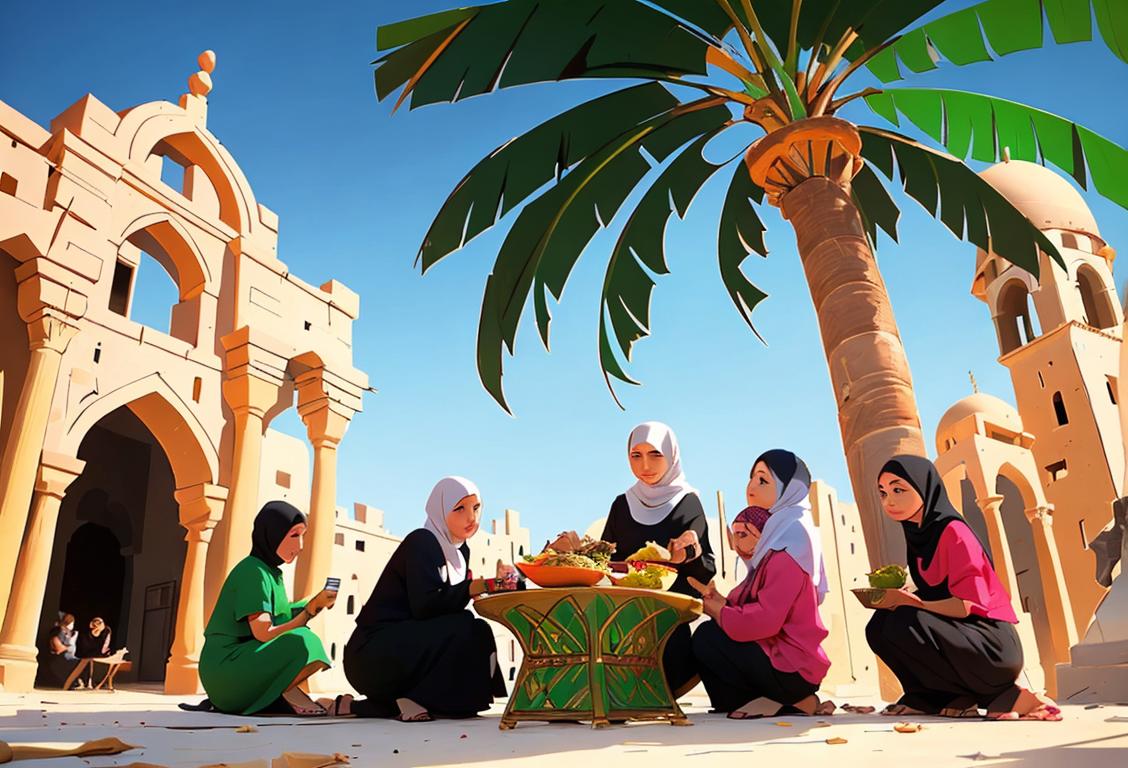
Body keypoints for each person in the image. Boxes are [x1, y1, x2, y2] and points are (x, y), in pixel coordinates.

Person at [864, 455, 1061, 721]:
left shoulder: (954, 531)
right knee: (879, 626)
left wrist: (915, 603)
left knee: (904, 619)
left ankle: (1012, 696)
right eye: (883, 493)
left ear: (924, 488)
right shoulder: (920, 537)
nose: (889, 501)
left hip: (990, 644)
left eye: (898, 490)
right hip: (956, 635)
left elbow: (967, 604)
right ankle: (934, 697)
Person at [344, 476, 515, 721]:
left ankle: (402, 703)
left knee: (477, 629)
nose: (471, 517)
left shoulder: (460, 551)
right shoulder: (422, 541)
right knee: (465, 625)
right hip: (372, 653)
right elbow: (425, 606)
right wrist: (477, 586)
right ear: (441, 510)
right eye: (460, 509)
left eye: (476, 508)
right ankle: (402, 699)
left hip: (410, 644)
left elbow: (447, 608)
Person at [690, 449, 832, 719]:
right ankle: (781, 702)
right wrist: (721, 603)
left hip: (792, 665)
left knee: (709, 637)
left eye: (763, 480)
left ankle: (792, 699)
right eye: (752, 478)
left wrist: (720, 611)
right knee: (711, 636)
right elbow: (758, 601)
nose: (751, 487)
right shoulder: (779, 536)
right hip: (779, 656)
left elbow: (766, 620)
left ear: (790, 489)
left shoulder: (791, 542)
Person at [600, 421, 716, 698]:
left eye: (655, 454)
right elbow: (605, 559)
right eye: (636, 455)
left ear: (671, 455)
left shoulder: (687, 501)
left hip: (668, 617)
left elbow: (706, 566)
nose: (645, 465)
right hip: (624, 615)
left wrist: (687, 553)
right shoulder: (622, 504)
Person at [199, 501, 337, 716]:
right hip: (224, 669)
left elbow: (281, 616)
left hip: (241, 660)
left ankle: (276, 697)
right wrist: (308, 612)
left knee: (303, 638)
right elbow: (264, 633)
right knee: (302, 640)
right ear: (272, 534)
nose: (300, 546)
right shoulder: (253, 571)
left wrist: (315, 604)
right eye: (294, 535)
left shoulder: (271, 573)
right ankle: (275, 697)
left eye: (302, 536)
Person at [36, 613, 80, 688]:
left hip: (65, 657)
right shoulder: (57, 631)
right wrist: (69, 648)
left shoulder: (70, 633)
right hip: (55, 659)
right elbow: (58, 648)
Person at [74, 616, 113, 689]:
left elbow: (105, 645)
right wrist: (93, 633)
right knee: (89, 661)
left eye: (100, 623)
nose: (97, 626)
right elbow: (84, 646)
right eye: (95, 624)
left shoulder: (106, 631)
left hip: (100, 653)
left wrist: (104, 652)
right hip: (86, 653)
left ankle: (99, 682)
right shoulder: (86, 631)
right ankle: (87, 682)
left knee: (106, 660)